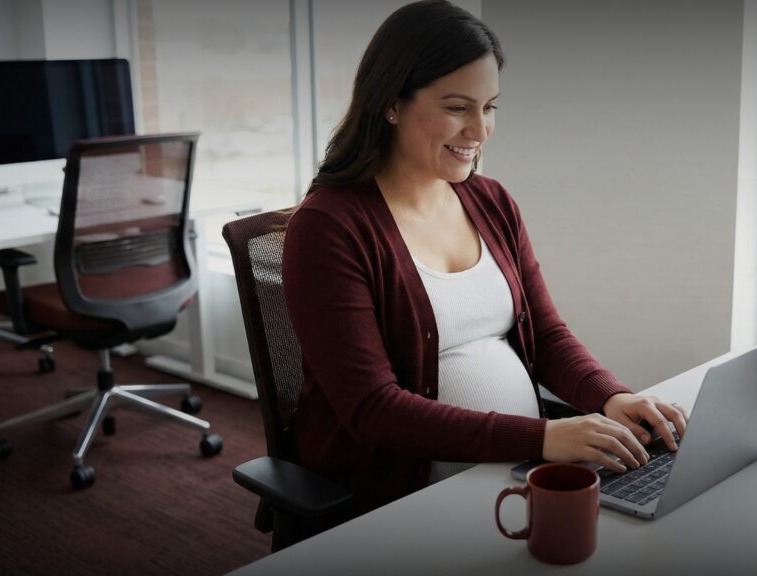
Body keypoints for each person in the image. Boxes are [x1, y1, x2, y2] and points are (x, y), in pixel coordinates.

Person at [283, 0, 688, 517]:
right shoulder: (329, 228)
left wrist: (610, 397)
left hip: (514, 471)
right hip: (400, 495)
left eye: (490, 106)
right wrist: (545, 436)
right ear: (390, 103)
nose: (480, 130)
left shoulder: (490, 201)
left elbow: (546, 335)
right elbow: (373, 410)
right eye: (457, 107)